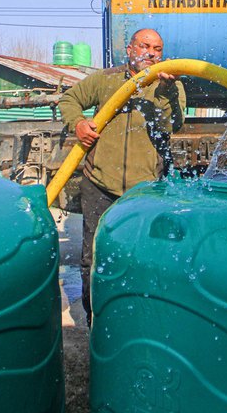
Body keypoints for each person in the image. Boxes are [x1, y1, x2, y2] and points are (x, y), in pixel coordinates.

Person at [58, 28, 186, 326]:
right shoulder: (106, 80)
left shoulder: (170, 85)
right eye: (145, 46)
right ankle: (97, 320)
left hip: (146, 191)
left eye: (157, 49)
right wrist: (77, 123)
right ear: (130, 50)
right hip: (100, 185)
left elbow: (173, 125)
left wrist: (166, 93)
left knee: (146, 254)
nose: (151, 53)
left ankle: (141, 319)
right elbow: (70, 99)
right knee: (95, 255)